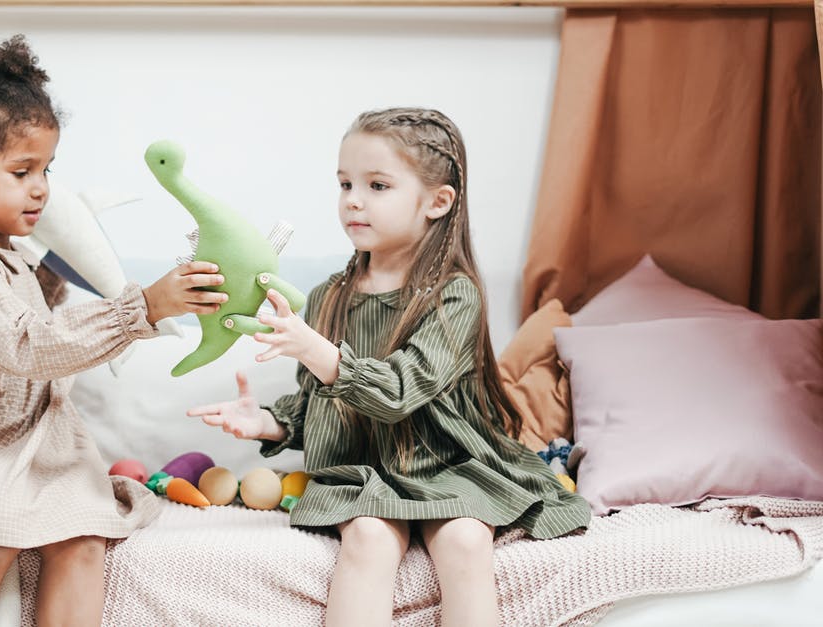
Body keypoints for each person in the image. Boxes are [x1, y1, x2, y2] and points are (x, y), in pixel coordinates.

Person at [0, 27, 226, 627]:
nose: (40, 189)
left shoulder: (7, 252)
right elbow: (27, 344)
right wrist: (144, 307)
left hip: (31, 439)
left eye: (47, 170)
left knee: (84, 538)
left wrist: (56, 273)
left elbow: (27, 311)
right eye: (21, 171)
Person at [188, 107, 590, 627]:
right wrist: (268, 422)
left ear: (437, 202)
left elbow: (400, 391)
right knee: (369, 537)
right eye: (345, 183)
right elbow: (319, 402)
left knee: (467, 539)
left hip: (446, 464)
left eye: (377, 185)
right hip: (365, 467)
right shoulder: (328, 295)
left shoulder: (454, 296)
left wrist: (313, 348)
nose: (353, 199)